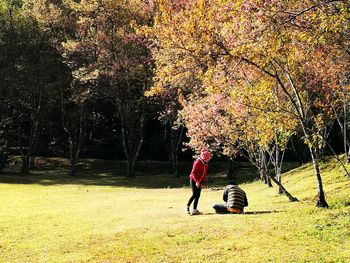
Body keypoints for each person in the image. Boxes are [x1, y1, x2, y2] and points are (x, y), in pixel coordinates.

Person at [184, 149, 212, 215]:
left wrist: (202, 183)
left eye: (208, 158)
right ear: (203, 158)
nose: (208, 160)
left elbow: (204, 174)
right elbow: (193, 173)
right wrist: (197, 181)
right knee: (194, 194)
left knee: (198, 195)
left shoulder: (206, 163)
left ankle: (194, 210)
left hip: (199, 180)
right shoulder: (197, 162)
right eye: (207, 159)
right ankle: (187, 207)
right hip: (193, 179)